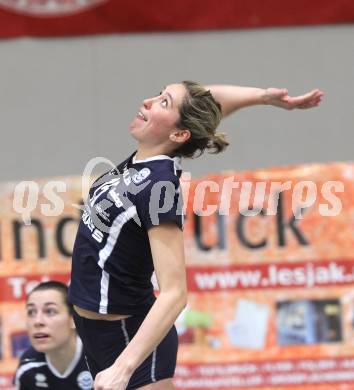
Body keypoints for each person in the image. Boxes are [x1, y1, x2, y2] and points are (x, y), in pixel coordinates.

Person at [68, 81, 323, 390]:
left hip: (129, 340)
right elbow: (202, 104)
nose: (148, 101)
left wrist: (123, 368)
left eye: (163, 103)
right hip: (94, 332)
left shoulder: (159, 188)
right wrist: (263, 97)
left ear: (178, 135)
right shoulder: (142, 160)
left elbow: (175, 293)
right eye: (158, 94)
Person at [15, 281, 93, 390]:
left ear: (73, 319)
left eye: (50, 311)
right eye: (31, 312)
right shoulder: (28, 367)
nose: (37, 321)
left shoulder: (99, 359)